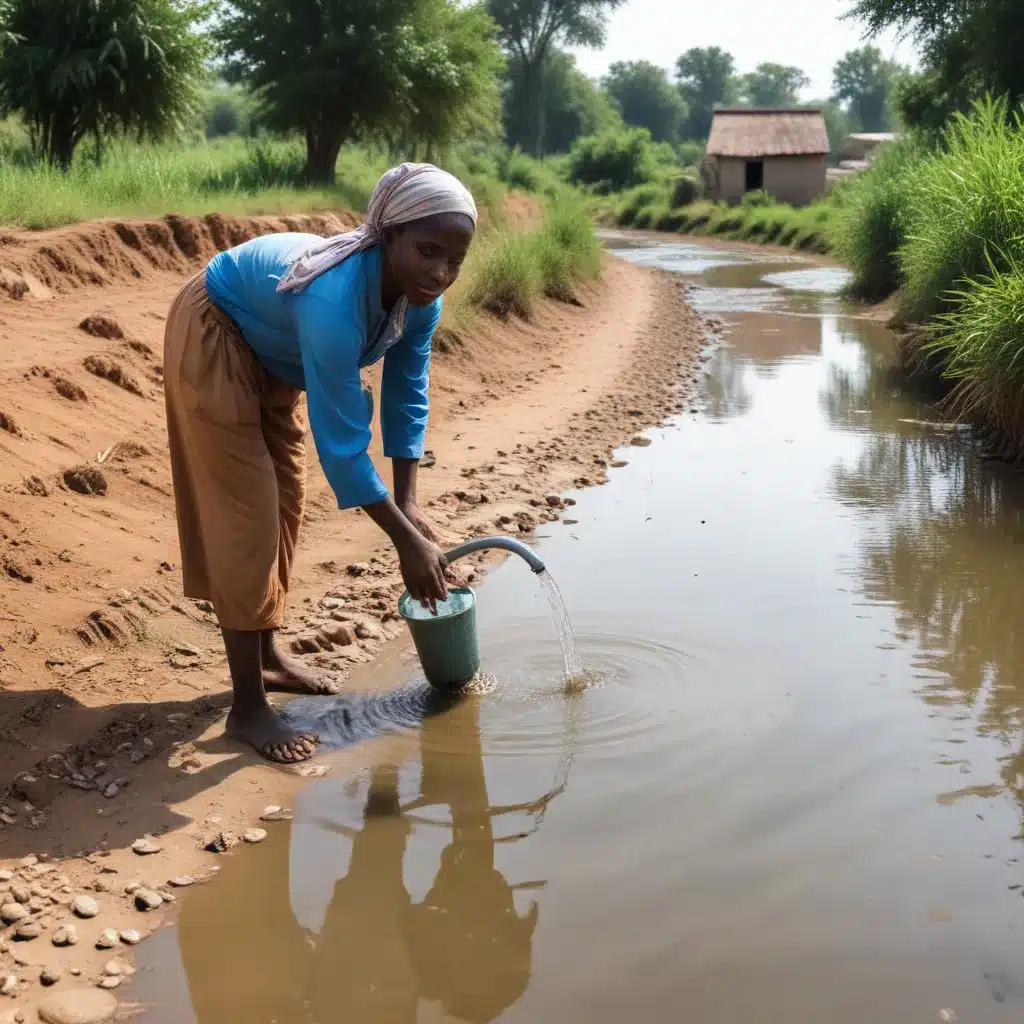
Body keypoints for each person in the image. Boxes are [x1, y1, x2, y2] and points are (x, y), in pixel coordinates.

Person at [163, 163, 477, 764]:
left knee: (285, 501)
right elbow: (342, 446)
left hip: (274, 358)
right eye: (428, 252)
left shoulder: (417, 299)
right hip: (217, 331)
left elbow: (407, 396)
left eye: (454, 261)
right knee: (246, 517)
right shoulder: (335, 300)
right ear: (388, 236)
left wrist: (408, 505)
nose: (440, 273)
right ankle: (248, 709)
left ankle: (267, 657)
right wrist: (405, 542)